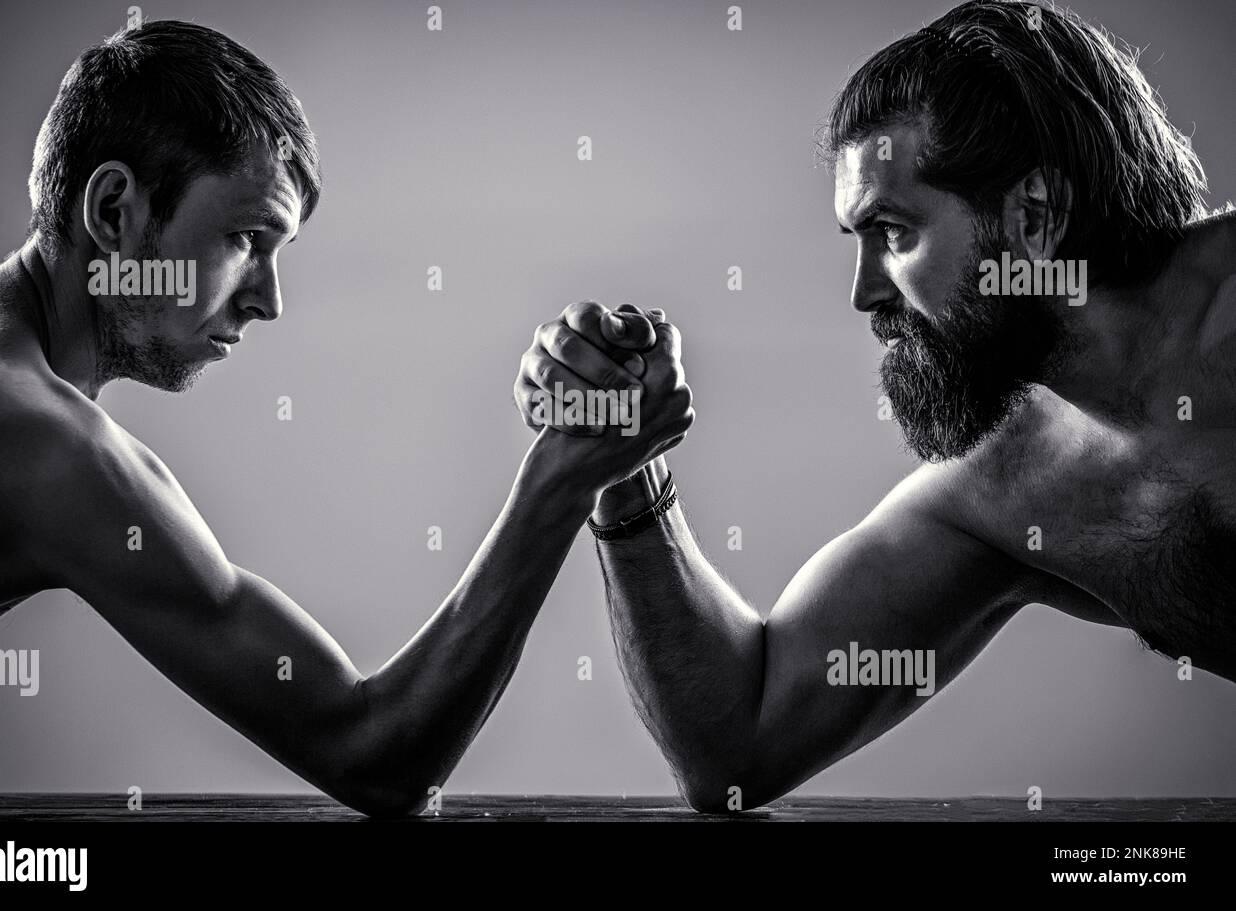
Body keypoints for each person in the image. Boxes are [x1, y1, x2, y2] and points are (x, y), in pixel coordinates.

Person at [0, 20, 694, 816]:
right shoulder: (43, 448)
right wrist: (560, 481)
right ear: (116, 212)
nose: (267, 299)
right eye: (244, 239)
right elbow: (377, 755)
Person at [514, 0, 1235, 813]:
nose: (863, 295)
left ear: (1035, 215)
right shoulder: (1005, 484)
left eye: (892, 231)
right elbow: (739, 743)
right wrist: (626, 461)